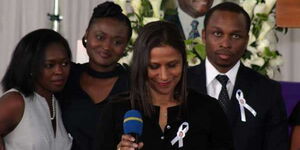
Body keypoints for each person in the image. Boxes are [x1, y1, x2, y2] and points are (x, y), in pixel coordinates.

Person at [94, 21, 234, 150]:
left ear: (184, 62)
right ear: (140, 65)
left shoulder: (208, 109)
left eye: (172, 65)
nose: (164, 76)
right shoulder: (116, 110)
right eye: (154, 66)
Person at [187, 2, 288, 150]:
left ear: (246, 40)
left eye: (235, 36)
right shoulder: (181, 83)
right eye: (217, 34)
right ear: (203, 36)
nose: (225, 43)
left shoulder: (268, 91)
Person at [57, 2, 132, 150]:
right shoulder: (65, 75)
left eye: (117, 42)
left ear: (126, 47)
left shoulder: (134, 85)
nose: (106, 46)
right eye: (100, 37)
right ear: (86, 35)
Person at [0, 29, 72, 150]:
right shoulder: (16, 101)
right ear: (31, 67)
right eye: (50, 65)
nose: (59, 71)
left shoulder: (57, 102)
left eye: (65, 63)